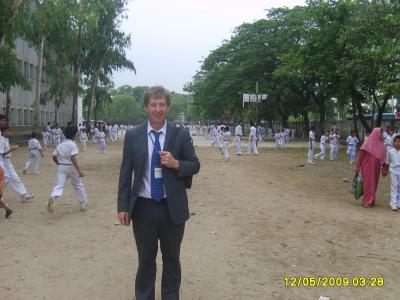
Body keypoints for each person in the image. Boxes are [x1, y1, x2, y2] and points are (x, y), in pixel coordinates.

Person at [117, 86, 200, 300]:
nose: (157, 108)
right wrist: (122, 207)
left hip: (171, 208)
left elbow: (194, 165)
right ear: (146, 107)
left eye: (162, 104)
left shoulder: (180, 134)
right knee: (145, 259)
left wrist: (175, 163)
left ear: (168, 107)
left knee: (172, 258)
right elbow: (125, 173)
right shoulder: (134, 135)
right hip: (143, 208)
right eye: (153, 104)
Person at [47, 126, 87, 213]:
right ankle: (82, 202)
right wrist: (79, 170)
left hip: (61, 166)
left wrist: (59, 164)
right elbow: (73, 158)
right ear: (74, 135)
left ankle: (53, 197)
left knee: (59, 185)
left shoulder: (60, 145)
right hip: (71, 167)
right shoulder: (73, 144)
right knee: (77, 184)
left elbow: (53, 157)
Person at [0, 126, 34, 202]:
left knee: (15, 178)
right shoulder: (1, 140)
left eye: (9, 131)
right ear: (2, 132)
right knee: (5, 179)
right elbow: (1, 154)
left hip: (8, 161)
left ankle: (24, 195)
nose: (9, 133)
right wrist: (11, 149)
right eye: (7, 131)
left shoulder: (6, 139)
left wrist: (11, 150)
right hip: (3, 161)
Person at [355, 128, 386, 208]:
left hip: (377, 168)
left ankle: (371, 200)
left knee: (374, 184)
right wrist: (357, 166)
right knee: (368, 184)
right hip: (367, 167)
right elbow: (361, 156)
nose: (382, 134)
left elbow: (384, 158)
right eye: (381, 133)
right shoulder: (367, 143)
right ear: (376, 133)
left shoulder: (382, 145)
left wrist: (384, 169)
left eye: (382, 133)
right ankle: (367, 201)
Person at [383, 135, 400, 210]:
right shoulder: (390, 151)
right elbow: (387, 162)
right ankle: (393, 203)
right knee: (394, 186)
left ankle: (398, 203)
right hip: (393, 170)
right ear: (393, 142)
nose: (398, 143)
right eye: (396, 141)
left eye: (399, 141)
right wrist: (385, 170)